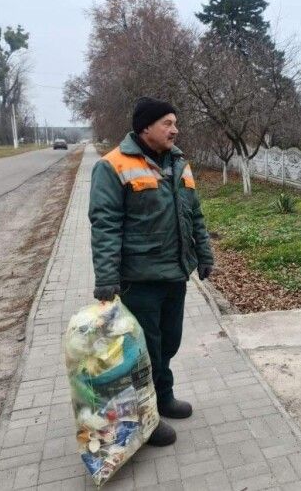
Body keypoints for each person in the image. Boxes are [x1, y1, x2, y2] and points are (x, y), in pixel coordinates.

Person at [89, 96, 214, 445]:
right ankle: (146, 416)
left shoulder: (178, 163)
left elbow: (196, 216)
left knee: (168, 342)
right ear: (146, 127)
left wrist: (204, 256)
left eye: (175, 123)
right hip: (139, 278)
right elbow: (105, 225)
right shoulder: (112, 165)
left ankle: (164, 395)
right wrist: (106, 279)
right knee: (145, 350)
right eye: (167, 123)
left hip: (175, 273)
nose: (175, 129)